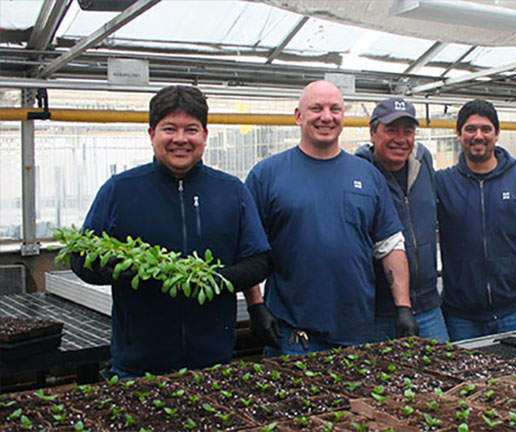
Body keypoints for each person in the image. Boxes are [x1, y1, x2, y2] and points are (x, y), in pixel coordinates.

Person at [71, 85, 271, 378]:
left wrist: (215, 280)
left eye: (191, 129)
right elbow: (80, 257)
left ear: (204, 134)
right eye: (169, 129)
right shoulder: (120, 190)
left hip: (214, 364)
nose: (180, 139)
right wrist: (109, 269)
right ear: (152, 134)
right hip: (136, 367)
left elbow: (259, 259)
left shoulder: (231, 191)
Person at [244, 80, 418, 357]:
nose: (327, 116)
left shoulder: (367, 175)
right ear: (299, 116)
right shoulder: (267, 175)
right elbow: (246, 249)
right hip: (292, 336)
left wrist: (403, 307)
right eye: (317, 108)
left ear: (343, 117)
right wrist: (256, 305)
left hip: (357, 333)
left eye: (335, 109)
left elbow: (390, 244)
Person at [435, 99, 516, 342]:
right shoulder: (443, 183)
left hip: (514, 309)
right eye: (470, 129)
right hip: (462, 316)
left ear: (497, 134)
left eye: (486, 129)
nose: (478, 136)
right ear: (458, 135)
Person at [355, 97, 449, 342]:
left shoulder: (423, 161)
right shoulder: (358, 173)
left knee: (449, 376)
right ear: (373, 133)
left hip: (428, 306)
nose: (400, 139)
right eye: (391, 130)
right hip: (376, 312)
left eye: (408, 132)